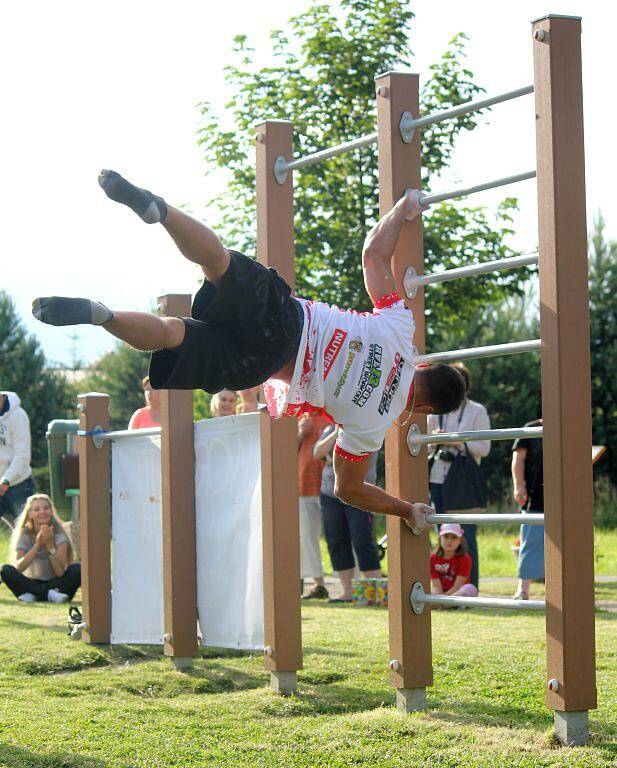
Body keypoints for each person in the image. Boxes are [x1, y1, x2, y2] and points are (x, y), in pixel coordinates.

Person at [32, 170, 466, 530]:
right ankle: (103, 315)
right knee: (172, 334)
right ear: (425, 409)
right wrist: (406, 509)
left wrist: (402, 210)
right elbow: (349, 489)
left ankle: (158, 211)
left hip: (286, 317)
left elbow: (374, 254)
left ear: (426, 365)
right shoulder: (373, 426)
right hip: (264, 364)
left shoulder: (399, 331)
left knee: (218, 262)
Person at [426, 363, 490, 589]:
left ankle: (469, 589)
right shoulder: (433, 411)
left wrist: (456, 441)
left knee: (466, 537)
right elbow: (422, 448)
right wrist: (433, 440)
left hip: (463, 482)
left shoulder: (477, 410)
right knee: (443, 536)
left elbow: (484, 448)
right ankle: (444, 589)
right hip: (437, 479)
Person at [314, 425, 382, 602]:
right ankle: (347, 593)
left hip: (358, 493)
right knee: (336, 542)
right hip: (330, 494)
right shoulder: (330, 429)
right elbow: (316, 453)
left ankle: (374, 593)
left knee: (362, 541)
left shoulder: (365, 427)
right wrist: (336, 432)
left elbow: (364, 454)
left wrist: (335, 458)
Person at [1, 494, 81, 603]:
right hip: (30, 583)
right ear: (30, 514)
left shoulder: (60, 535)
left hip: (56, 583)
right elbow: (18, 568)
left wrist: (50, 547)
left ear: (51, 511)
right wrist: (37, 546)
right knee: (5, 570)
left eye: (46, 508)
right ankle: (47, 594)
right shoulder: (24, 534)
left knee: (77, 569)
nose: (42, 512)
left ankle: (35, 595)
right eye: (36, 509)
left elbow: (60, 573)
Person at [298, 414, 330, 600]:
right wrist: (300, 433)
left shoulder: (334, 408)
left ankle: (353, 584)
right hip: (305, 483)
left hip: (334, 485)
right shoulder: (298, 413)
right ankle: (319, 584)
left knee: (341, 534)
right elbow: (284, 450)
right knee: (309, 537)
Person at [511, 418, 544, 600]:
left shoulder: (568, 425)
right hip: (534, 496)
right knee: (529, 543)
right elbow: (518, 458)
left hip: (563, 496)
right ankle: (523, 589)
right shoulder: (531, 428)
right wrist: (519, 486)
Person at [0, 391, 35, 524]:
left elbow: (22, 455)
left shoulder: (18, 416)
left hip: (18, 485)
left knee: (27, 533)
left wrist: (6, 480)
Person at [430, 523, 477, 601]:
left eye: (454, 537)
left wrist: (442, 599)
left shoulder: (465, 559)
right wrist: (440, 596)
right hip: (441, 593)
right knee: (428, 592)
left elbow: (458, 586)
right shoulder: (432, 558)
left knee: (470, 589)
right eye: (446, 536)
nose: (449, 541)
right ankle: (448, 604)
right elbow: (437, 586)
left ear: (460, 540)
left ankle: (441, 604)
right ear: (440, 538)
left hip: (457, 592)